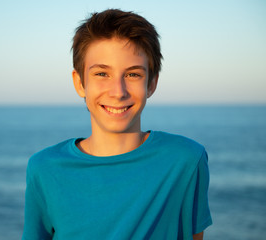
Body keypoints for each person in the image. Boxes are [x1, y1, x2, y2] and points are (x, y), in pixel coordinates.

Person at [22, 9, 212, 240]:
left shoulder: (186, 160)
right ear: (80, 83)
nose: (118, 92)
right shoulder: (44, 168)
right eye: (102, 73)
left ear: (151, 83)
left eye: (133, 75)